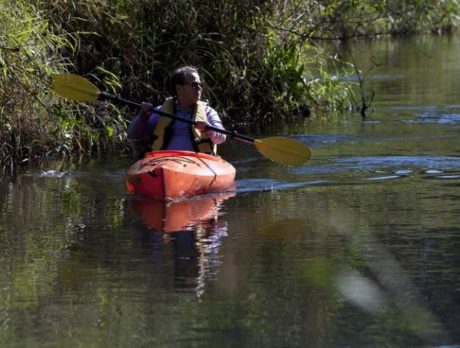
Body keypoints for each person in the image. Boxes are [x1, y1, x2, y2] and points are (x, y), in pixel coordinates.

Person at [127, 66, 226, 158]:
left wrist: (209, 130)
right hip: (163, 162)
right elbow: (133, 136)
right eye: (194, 85)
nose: (199, 88)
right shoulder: (161, 111)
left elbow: (221, 138)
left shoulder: (208, 112)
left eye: (201, 84)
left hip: (198, 164)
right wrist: (142, 116)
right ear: (179, 88)